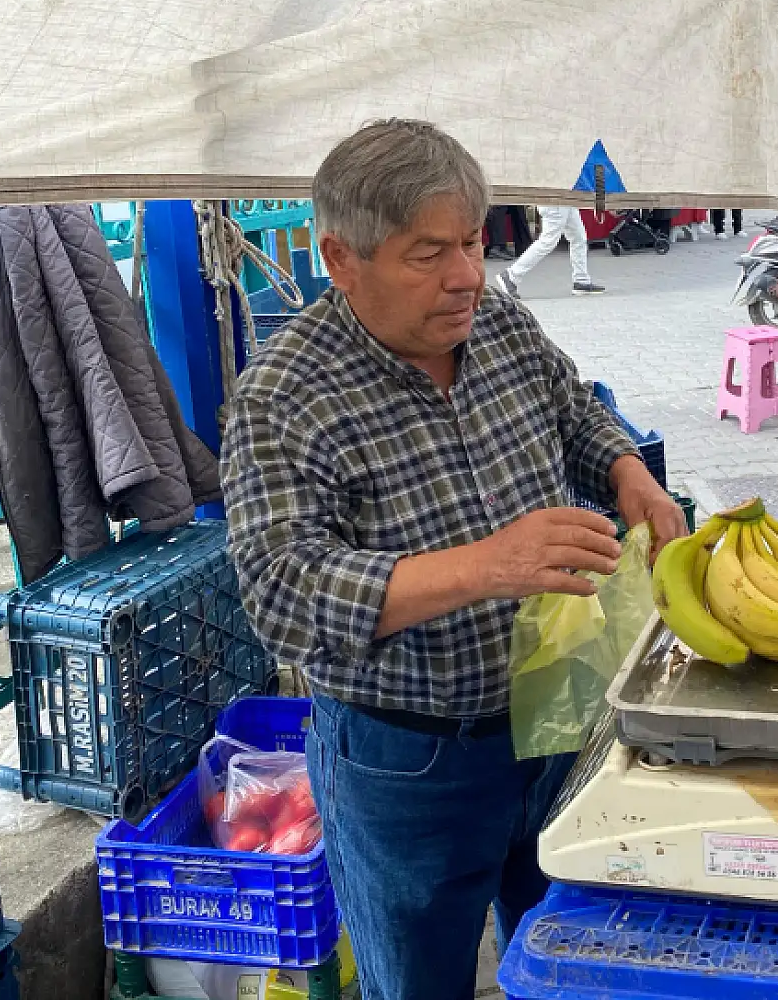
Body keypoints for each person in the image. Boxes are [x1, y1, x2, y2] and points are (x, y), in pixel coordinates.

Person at [222, 119, 687, 1000]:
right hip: (410, 766)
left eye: (473, 242)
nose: (466, 275)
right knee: (418, 980)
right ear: (341, 258)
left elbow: (573, 409)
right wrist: (486, 566)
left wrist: (626, 470)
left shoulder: (500, 320)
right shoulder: (282, 397)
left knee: (564, 959)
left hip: (557, 714)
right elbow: (282, 594)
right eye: (428, 253)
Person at [498, 207, 605, 296]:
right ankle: (512, 275)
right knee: (548, 241)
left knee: (578, 237)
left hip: (564, 198)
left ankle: (581, 280)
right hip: (557, 198)